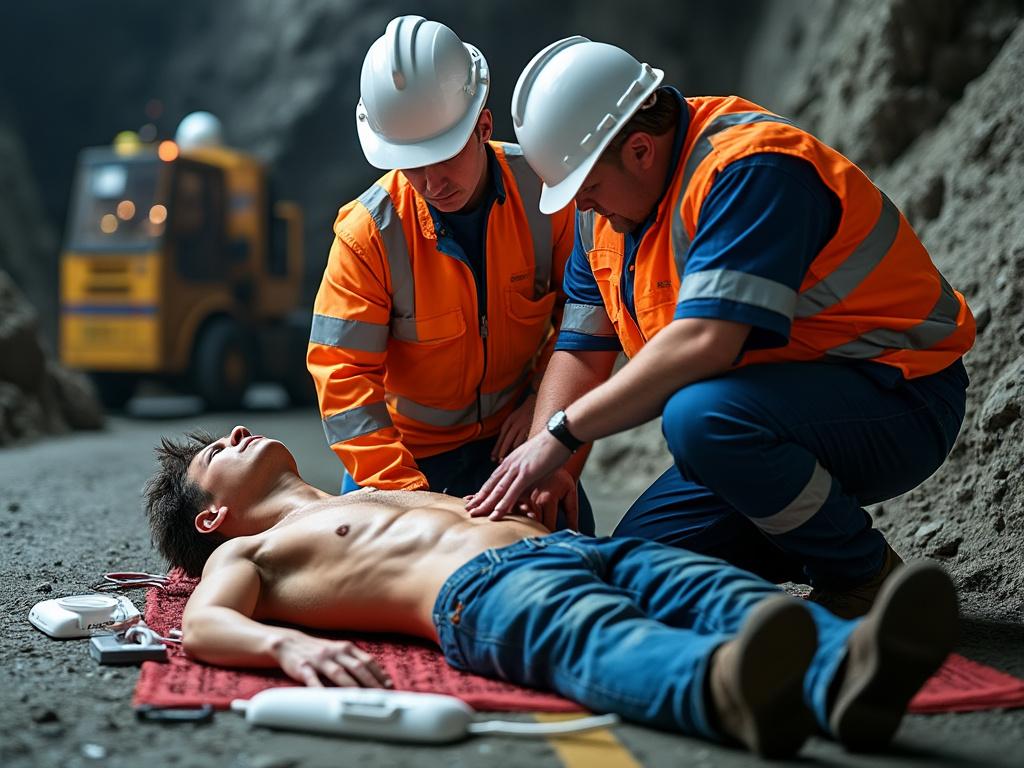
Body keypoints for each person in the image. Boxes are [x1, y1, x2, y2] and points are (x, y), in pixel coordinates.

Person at [467, 37, 976, 618]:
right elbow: (581, 347)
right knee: (635, 568)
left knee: (699, 420)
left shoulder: (751, 167)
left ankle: (863, 575)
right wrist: (550, 467)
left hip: (900, 398)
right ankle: (800, 538)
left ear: (639, 149)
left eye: (588, 187)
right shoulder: (605, 219)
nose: (582, 207)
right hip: (764, 417)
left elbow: (710, 340)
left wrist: (560, 435)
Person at [142, 424, 959, 759]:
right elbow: (208, 626)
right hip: (481, 595)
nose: (236, 433)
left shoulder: (367, 491)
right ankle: (723, 690)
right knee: (600, 638)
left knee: (715, 588)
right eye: (218, 450)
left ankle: (843, 673)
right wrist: (289, 644)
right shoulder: (249, 550)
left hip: (581, 548)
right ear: (212, 515)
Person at [307, 16, 592, 533]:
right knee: (383, 581)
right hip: (405, 457)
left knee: (562, 537)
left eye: (443, 155)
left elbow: (587, 323)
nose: (431, 182)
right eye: (410, 164)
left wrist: (544, 412)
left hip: (517, 435)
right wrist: (415, 509)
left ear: (483, 127)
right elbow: (344, 378)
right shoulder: (367, 234)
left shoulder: (547, 195)